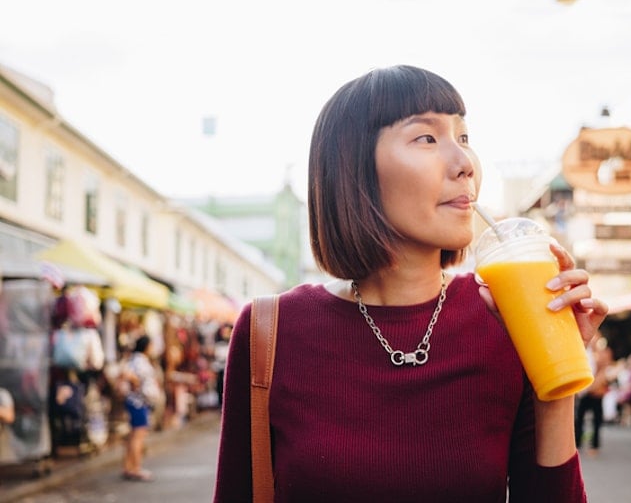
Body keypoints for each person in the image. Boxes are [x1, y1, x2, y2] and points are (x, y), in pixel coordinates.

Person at [213, 65, 608, 502]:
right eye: (427, 137)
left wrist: (555, 377)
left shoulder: (504, 316)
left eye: (464, 138)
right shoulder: (272, 330)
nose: (465, 165)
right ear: (354, 167)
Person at [121, 334, 162, 481]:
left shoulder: (135, 359)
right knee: (138, 436)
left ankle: (128, 466)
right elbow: (129, 376)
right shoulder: (139, 361)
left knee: (133, 435)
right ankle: (136, 468)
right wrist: (137, 385)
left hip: (135, 402)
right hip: (138, 402)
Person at [575, 336, 612, 456]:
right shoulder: (585, 351)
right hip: (584, 392)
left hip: (596, 392)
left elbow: (604, 372)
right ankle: (577, 443)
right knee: (579, 418)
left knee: (596, 420)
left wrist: (591, 386)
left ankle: (594, 445)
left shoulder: (603, 353)